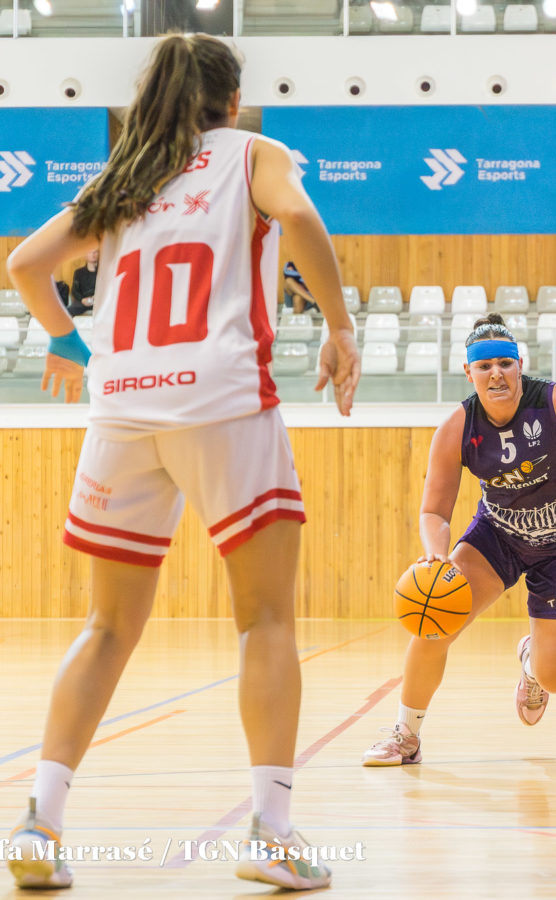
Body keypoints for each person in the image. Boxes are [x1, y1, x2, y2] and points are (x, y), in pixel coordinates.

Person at [4, 34, 359, 891]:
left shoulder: (123, 179)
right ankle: (271, 833)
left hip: (123, 407)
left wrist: (64, 341)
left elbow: (24, 263)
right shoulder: (250, 155)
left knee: (107, 627)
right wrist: (339, 326)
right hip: (222, 400)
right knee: (266, 620)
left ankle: (39, 824)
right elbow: (303, 218)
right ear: (231, 102)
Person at [362, 314, 556, 766]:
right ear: (468, 373)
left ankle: (533, 664)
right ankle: (405, 736)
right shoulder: (457, 427)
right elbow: (434, 510)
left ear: (520, 365)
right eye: (484, 366)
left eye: (505, 363)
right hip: (499, 536)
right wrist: (436, 555)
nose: (496, 373)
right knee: (434, 620)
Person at [68, 248, 99, 316]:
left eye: (95, 252)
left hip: (99, 301)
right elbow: (74, 290)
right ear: (85, 255)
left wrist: (97, 297)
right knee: (68, 311)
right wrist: (82, 299)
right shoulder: (79, 272)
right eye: (90, 252)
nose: (93, 254)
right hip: (83, 301)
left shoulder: (103, 271)